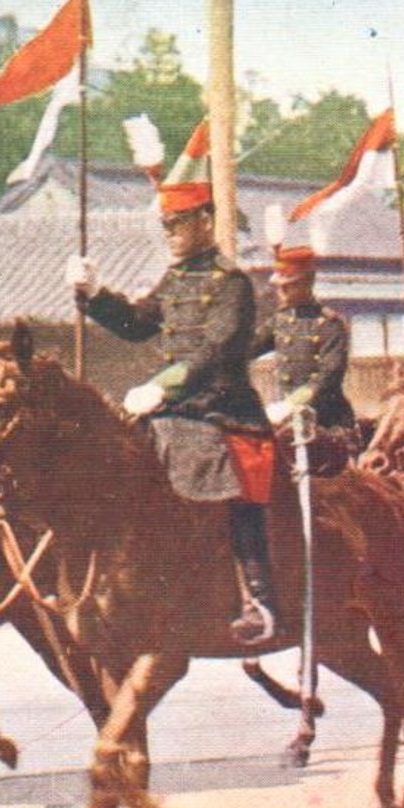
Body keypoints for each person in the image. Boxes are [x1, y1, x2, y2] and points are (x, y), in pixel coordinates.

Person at [65, 170, 283, 648]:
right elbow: (138, 324)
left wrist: (163, 385)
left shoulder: (232, 284)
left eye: (179, 224)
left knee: (226, 489)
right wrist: (94, 295)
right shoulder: (174, 280)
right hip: (171, 409)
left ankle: (258, 598)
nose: (170, 234)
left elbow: (218, 349)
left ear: (205, 220)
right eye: (165, 226)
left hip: (222, 411)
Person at [250, 243, 358, 476]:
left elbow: (328, 375)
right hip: (288, 424)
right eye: (279, 287)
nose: (281, 293)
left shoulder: (330, 325)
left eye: (287, 287)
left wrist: (291, 404)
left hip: (326, 424)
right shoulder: (282, 320)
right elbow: (248, 348)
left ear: (306, 283)